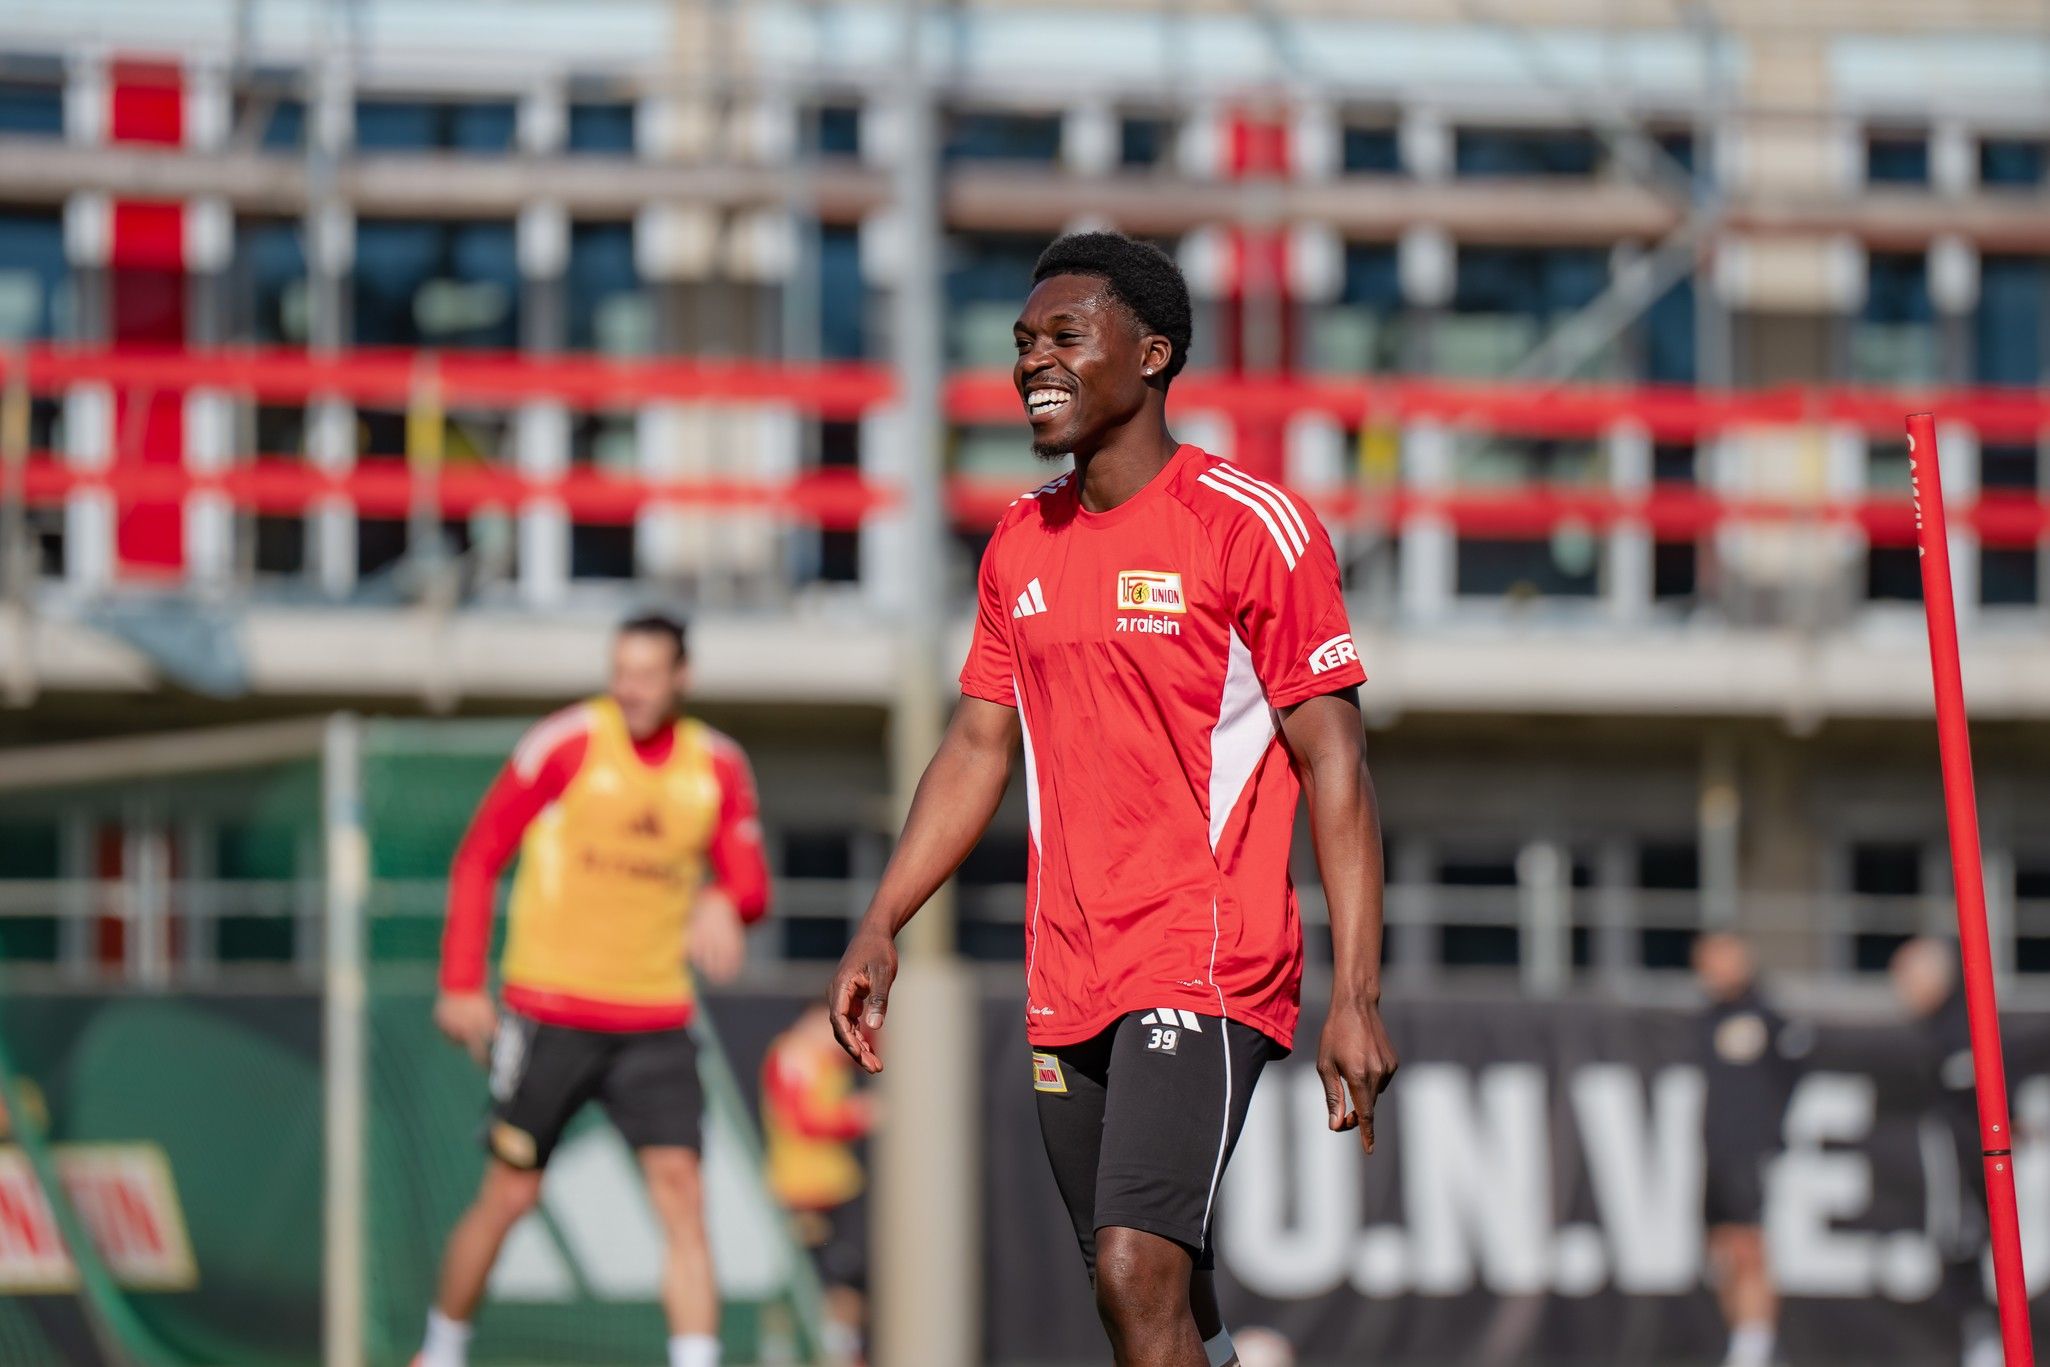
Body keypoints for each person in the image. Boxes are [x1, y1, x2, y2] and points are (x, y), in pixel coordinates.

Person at [826, 231, 1397, 1367]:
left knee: (1139, 1266)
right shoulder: (1015, 544)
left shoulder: (1250, 525)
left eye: (1064, 337)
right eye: (1023, 343)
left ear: (1153, 354)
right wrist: (883, 919)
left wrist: (1357, 991)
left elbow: (1336, 761)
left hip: (1208, 953)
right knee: (1149, 1293)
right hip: (1070, 965)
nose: (1033, 360)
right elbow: (976, 745)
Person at [414, 612, 771, 1367]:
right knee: (509, 1195)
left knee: (682, 1195)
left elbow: (750, 883)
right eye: (621, 672)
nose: (630, 689)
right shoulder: (567, 743)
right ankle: (440, 1350)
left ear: (682, 678)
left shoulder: (717, 765)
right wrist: (459, 979)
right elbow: (479, 854)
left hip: (655, 1017)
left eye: (647, 674)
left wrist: (723, 901)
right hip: (551, 1009)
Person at [1693, 932, 1806, 1367]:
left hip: (1749, 1150)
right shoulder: (1707, 1019)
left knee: (1748, 1245)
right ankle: (1739, 1340)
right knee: (1721, 1248)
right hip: (1715, 1150)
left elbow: (1791, 1074)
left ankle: (1754, 1346)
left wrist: (1768, 1135)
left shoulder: (1766, 1018)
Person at [1890, 937, 2002, 1367]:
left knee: (1978, 1248)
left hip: (1975, 1169)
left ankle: (1988, 1340)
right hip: (1957, 1167)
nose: (1902, 989)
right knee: (1960, 1248)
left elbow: (1988, 1106)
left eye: (1908, 977)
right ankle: (1981, 1338)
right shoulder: (1938, 1028)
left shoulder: (1964, 1026)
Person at [762, 1001, 874, 1365]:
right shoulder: (794, 1055)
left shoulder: (831, 1060)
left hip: (840, 1188)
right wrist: (856, 1117)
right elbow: (805, 1121)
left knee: (848, 1275)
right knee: (798, 1281)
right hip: (801, 1192)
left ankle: (843, 1352)